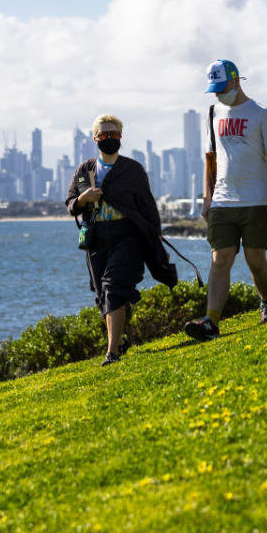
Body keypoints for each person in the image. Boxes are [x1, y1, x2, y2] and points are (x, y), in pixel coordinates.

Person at [184, 59, 267, 340]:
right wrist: (207, 198)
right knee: (220, 260)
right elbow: (210, 159)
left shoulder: (261, 114)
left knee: (256, 259)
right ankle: (211, 321)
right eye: (214, 89)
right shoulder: (213, 112)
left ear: (237, 81)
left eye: (222, 87)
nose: (219, 94)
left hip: (256, 200)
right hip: (222, 202)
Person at [67, 114, 177, 366]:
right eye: (103, 135)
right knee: (102, 294)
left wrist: (157, 243)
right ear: (95, 138)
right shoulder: (85, 170)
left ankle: (112, 353)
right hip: (95, 240)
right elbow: (70, 204)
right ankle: (120, 341)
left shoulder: (132, 170)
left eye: (114, 135)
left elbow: (148, 208)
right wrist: (84, 199)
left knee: (114, 286)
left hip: (128, 237)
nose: (109, 139)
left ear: (121, 137)